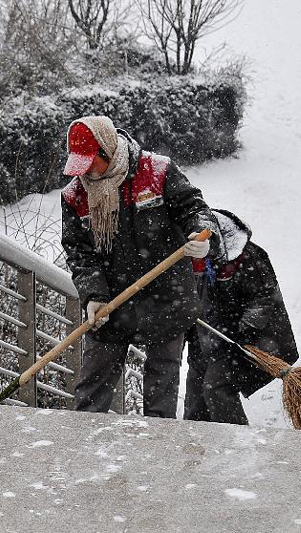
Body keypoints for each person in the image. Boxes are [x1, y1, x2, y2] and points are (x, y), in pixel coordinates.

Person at [60, 115, 219, 418]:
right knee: (92, 389)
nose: (85, 173)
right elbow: (79, 251)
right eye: (78, 165)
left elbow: (195, 208)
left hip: (167, 297)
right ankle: (80, 450)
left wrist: (201, 234)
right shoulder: (74, 195)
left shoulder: (156, 172)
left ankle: (156, 453)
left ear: (107, 151)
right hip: (112, 302)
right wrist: (93, 294)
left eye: (90, 162)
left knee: (162, 391)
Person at [183, 209, 298, 425]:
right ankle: (196, 444)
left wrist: (243, 333)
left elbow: (263, 298)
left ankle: (236, 443)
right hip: (205, 339)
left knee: (216, 387)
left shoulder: (248, 257)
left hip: (243, 342)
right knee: (196, 395)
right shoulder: (187, 255)